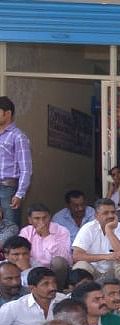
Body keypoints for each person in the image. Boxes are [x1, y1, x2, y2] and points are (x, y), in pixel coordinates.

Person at [72, 199, 120, 301]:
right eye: (105, 213)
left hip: (113, 272)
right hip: (93, 271)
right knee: (80, 265)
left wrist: (109, 230)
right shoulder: (88, 228)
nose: (110, 216)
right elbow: (76, 256)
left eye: (113, 212)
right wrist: (105, 256)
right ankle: (82, 302)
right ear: (96, 215)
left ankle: (119, 302)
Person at [19, 204, 70, 287]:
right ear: (30, 220)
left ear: (50, 217)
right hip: (33, 269)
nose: (42, 222)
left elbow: (64, 258)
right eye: (37, 218)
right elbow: (22, 253)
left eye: (44, 218)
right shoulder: (26, 232)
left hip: (55, 270)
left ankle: (58, 289)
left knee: (59, 262)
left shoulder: (61, 231)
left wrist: (47, 236)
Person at [0, 96, 32, 226]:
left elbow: (26, 169)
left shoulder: (18, 136)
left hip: (8, 189)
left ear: (7, 113)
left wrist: (20, 194)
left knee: (10, 227)